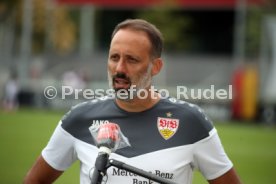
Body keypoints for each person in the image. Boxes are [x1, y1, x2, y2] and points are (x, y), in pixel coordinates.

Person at [24, 19, 241, 184]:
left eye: (132, 59)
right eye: (114, 57)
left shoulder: (192, 122)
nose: (119, 69)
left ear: (155, 67)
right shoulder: (79, 119)